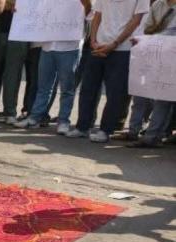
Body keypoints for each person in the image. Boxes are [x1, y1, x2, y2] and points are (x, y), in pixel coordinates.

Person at [67, 0, 149, 143]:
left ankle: (105, 130)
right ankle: (82, 127)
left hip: (123, 49)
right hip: (98, 45)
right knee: (88, 88)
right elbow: (97, 15)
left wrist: (115, 43)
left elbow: (136, 21)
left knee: (115, 93)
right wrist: (93, 40)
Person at [14, 0, 93, 134]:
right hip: (47, 46)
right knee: (43, 87)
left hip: (70, 47)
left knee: (67, 89)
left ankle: (63, 121)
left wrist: (87, 4)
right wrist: (21, 11)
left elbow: (90, 16)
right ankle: (35, 118)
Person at [126, 0, 176, 147]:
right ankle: (133, 131)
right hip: (152, 52)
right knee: (140, 93)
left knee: (163, 98)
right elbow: (148, 28)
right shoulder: (157, 4)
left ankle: (152, 137)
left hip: (171, 57)